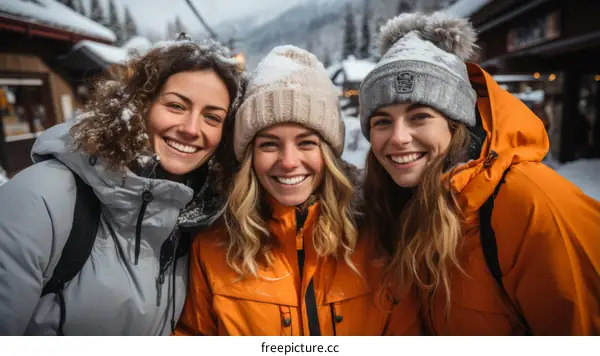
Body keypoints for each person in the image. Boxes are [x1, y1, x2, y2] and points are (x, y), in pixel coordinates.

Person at [358, 12, 600, 335]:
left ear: (456, 124)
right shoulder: (399, 202)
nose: (398, 137)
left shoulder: (530, 203)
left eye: (419, 117)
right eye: (382, 121)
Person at [0, 36, 246, 335]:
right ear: (140, 103)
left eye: (212, 117)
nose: (192, 129)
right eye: (176, 106)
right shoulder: (41, 198)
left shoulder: (193, 219)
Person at [175, 45, 420, 336]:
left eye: (306, 143)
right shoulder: (214, 246)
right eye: (269, 144)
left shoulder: (378, 237)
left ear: (328, 152)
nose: (289, 162)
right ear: (249, 155)